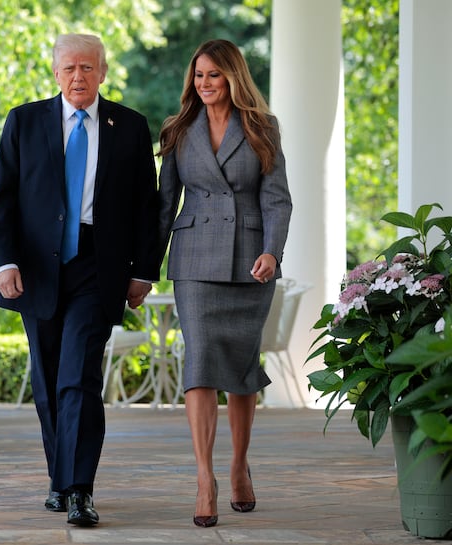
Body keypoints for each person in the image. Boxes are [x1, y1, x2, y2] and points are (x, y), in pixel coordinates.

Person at [0, 33, 159, 526]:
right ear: (55, 72)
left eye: (87, 67)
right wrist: (5, 262)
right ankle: (59, 479)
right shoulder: (24, 121)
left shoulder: (129, 126)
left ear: (103, 72)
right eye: (69, 68)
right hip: (37, 267)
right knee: (47, 379)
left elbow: (146, 206)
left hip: (98, 266)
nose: (78, 77)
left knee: (78, 376)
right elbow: (1, 199)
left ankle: (79, 488)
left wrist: (144, 271)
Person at [156, 39, 292, 528]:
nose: (205, 84)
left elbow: (277, 199)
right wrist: (144, 269)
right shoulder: (177, 130)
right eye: (198, 75)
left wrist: (272, 252)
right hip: (194, 259)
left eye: (214, 75)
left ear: (233, 77)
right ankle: (203, 478)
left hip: (249, 261)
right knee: (200, 364)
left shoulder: (261, 126)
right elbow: (164, 204)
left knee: (239, 367)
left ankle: (238, 466)